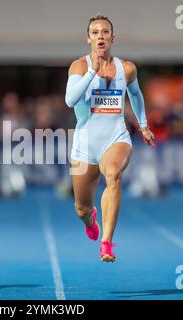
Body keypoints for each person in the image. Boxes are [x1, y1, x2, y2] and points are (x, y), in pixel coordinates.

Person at [65, 15, 155, 262]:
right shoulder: (79, 67)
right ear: (88, 39)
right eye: (95, 32)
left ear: (112, 38)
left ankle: (106, 242)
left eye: (105, 32)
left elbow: (136, 95)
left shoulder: (126, 68)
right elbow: (70, 100)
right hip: (84, 147)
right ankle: (90, 219)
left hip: (116, 138)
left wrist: (143, 125)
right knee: (81, 208)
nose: (100, 36)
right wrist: (92, 73)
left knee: (113, 175)